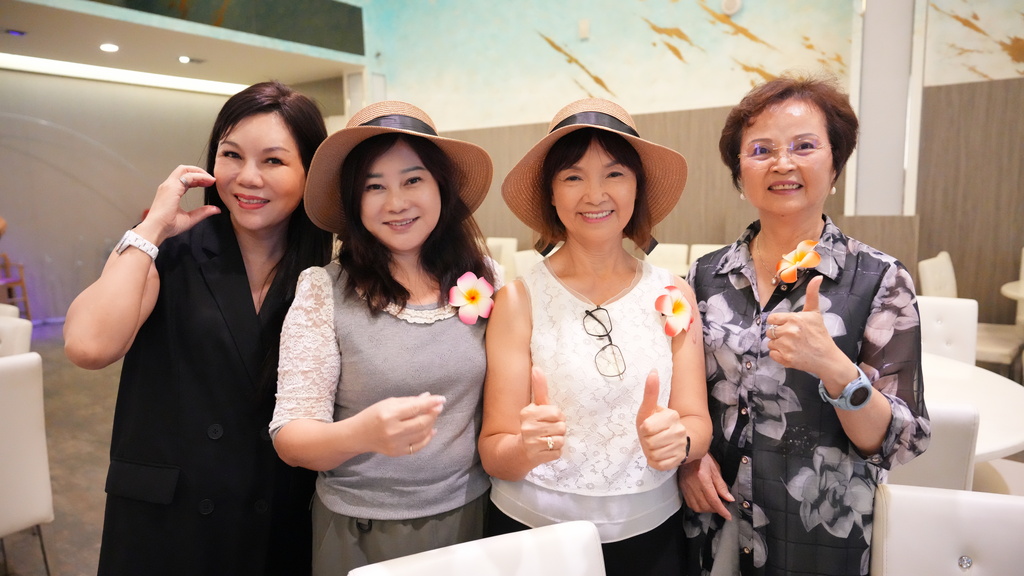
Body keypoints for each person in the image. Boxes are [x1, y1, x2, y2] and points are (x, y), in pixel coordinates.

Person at [63, 81, 332, 575]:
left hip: (277, 514)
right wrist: (151, 229)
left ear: (310, 172)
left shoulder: (326, 269)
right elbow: (88, 346)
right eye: (232, 155)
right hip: (169, 521)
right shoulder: (166, 251)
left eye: (273, 160)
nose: (247, 177)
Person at [680, 73, 930, 576]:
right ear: (740, 172)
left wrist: (836, 370)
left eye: (804, 146)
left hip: (815, 539)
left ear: (835, 164)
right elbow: (684, 400)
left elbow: (898, 441)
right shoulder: (704, 276)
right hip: (714, 524)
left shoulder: (881, 280)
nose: (783, 163)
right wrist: (689, 460)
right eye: (761, 150)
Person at [479, 98, 712, 576]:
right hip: (533, 535)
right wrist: (524, 449)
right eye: (573, 177)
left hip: (651, 534)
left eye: (614, 174)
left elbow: (697, 421)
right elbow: (494, 449)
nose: (595, 194)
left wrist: (680, 443)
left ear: (636, 187)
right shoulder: (518, 299)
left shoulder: (674, 294)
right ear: (551, 193)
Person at [269, 101, 497, 575]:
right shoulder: (324, 289)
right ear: (354, 203)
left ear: (441, 187)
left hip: (472, 518)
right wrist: (362, 434)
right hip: (362, 531)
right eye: (374, 187)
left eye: (413, 180)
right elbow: (290, 437)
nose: (396, 203)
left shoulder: (482, 278)